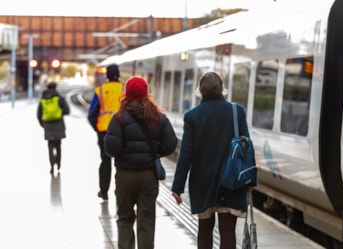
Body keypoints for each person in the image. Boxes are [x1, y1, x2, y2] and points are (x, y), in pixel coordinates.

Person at [171, 71, 256, 249]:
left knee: (204, 230)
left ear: (200, 90)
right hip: (231, 181)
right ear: (222, 89)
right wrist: (251, 180)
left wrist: (178, 187)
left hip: (202, 183)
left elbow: (186, 154)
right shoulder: (236, 111)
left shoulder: (192, 116)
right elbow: (246, 146)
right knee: (227, 230)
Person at [104, 76, 178, 249]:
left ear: (126, 94)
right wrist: (155, 153)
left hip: (125, 175)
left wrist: (125, 154)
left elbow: (111, 148)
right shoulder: (159, 117)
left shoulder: (118, 118)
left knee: (124, 219)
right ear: (146, 94)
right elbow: (171, 143)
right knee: (146, 221)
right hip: (148, 175)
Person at [88, 64, 123, 200]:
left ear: (107, 75)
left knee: (105, 160)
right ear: (118, 74)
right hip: (121, 130)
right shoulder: (124, 89)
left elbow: (91, 114)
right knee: (120, 162)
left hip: (104, 130)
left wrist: (97, 128)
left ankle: (103, 191)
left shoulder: (100, 90)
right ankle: (119, 190)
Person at [37, 82, 70, 174]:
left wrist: (43, 125)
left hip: (48, 126)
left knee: (50, 146)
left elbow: (39, 115)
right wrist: (59, 113)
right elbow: (67, 111)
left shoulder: (43, 99)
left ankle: (52, 165)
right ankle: (58, 164)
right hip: (59, 125)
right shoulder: (59, 98)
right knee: (58, 146)